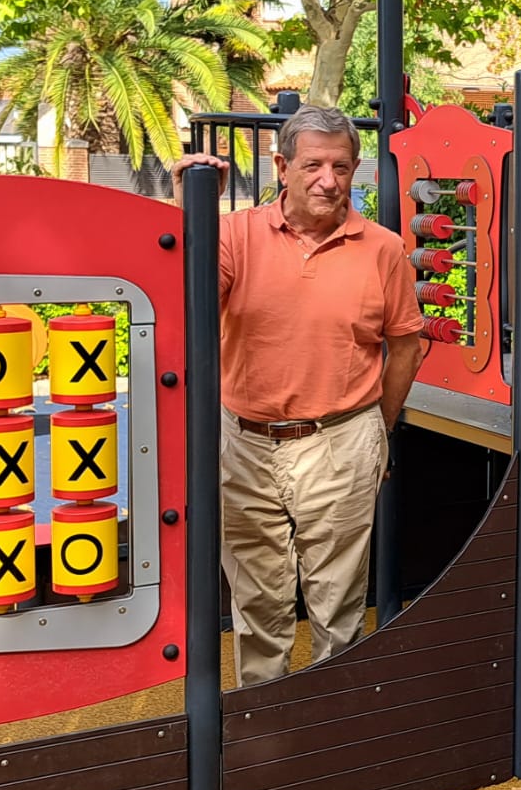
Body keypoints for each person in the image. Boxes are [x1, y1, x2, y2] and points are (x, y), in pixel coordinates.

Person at [173, 106, 426, 685]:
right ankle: (264, 721)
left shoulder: (383, 248)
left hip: (342, 439)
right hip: (246, 442)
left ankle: (328, 719)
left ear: (355, 169)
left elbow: (406, 347)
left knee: (337, 602)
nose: (328, 180)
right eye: (313, 164)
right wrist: (189, 208)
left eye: (341, 166)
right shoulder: (235, 234)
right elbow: (182, 292)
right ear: (282, 166)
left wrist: (376, 435)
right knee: (258, 599)